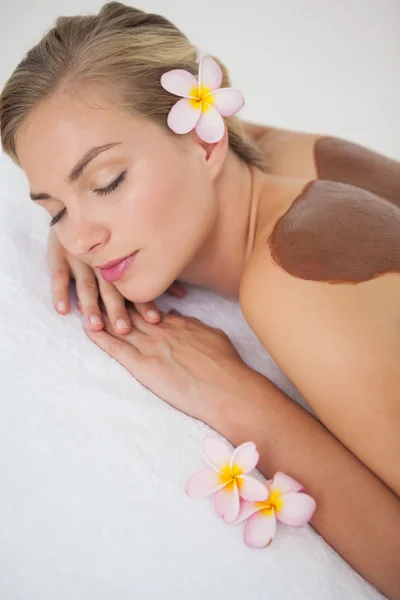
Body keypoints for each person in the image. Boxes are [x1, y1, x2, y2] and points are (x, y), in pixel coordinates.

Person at [1, 2, 399, 597]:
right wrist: (83, 205)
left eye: (108, 182)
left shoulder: (296, 277)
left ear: (206, 146)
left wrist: (245, 402)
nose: (81, 238)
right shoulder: (290, 161)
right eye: (54, 210)